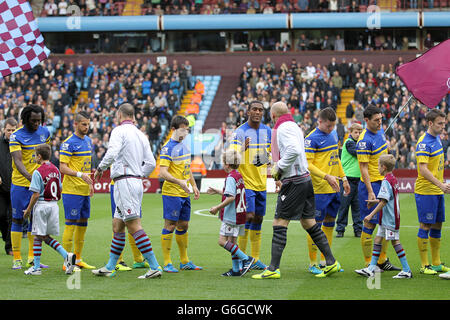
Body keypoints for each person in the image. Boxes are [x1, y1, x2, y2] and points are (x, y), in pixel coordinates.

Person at [252, 101, 341, 280]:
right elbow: (291, 151)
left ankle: (273, 269)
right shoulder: (293, 126)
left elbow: (292, 151)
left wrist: (278, 168)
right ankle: (331, 262)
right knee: (309, 223)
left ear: (274, 115)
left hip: (293, 181)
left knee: (279, 223)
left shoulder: (283, 128)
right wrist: (264, 158)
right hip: (305, 179)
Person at [92, 103, 162, 279]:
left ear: (119, 114)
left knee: (133, 225)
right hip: (135, 181)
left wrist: (100, 168)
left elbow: (112, 152)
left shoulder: (118, 131)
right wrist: (138, 175)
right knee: (118, 225)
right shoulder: (141, 135)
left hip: (124, 183)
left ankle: (154, 266)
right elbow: (152, 163)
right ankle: (110, 266)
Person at [304, 107, 350, 274]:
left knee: (330, 221)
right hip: (318, 189)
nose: (331, 129)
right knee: (315, 225)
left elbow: (335, 158)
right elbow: (307, 164)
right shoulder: (311, 139)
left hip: (334, 187)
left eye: (333, 126)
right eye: (328, 126)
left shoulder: (333, 135)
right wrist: (326, 177)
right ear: (319, 121)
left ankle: (326, 260)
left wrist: (343, 178)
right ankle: (313, 263)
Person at [357, 105, 400, 271]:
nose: (380, 122)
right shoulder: (363, 141)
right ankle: (369, 263)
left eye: (381, 119)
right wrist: (370, 191)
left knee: (385, 223)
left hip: (384, 183)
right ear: (366, 120)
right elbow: (364, 168)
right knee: (370, 223)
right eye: (376, 120)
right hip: (372, 185)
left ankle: (382, 260)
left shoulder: (381, 132)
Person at [354, 154, 412, 279]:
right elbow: (386, 198)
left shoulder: (386, 181)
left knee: (395, 242)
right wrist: (375, 201)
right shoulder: (392, 178)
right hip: (387, 217)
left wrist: (370, 215)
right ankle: (370, 269)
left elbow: (384, 202)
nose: (377, 168)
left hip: (390, 218)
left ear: (383, 167)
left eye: (378, 166)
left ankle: (407, 270)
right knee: (377, 240)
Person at [229, 100, 271, 270]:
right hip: (246, 183)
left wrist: (274, 170)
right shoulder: (239, 132)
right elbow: (230, 158)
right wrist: (241, 150)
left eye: (260, 110)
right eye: (254, 109)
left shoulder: (267, 131)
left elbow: (267, 156)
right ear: (248, 112)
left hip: (261, 183)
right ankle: (242, 258)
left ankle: (255, 258)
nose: (257, 112)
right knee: (249, 217)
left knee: (259, 219)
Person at [23, 144, 76, 276]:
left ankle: (37, 267)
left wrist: (28, 210)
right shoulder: (56, 170)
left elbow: (35, 194)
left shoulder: (37, 171)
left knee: (38, 236)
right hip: (53, 205)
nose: (35, 157)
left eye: (35, 155)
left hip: (42, 205)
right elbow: (60, 188)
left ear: (39, 156)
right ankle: (64, 256)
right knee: (44, 236)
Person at [159, 115, 202, 273]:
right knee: (170, 225)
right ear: (173, 130)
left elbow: (187, 168)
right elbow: (162, 172)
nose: (185, 133)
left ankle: (184, 261)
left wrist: (193, 184)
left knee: (184, 225)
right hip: (172, 192)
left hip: (184, 192)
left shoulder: (184, 146)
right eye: (183, 130)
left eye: (187, 130)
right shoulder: (167, 148)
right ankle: (167, 262)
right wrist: (180, 182)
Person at [9, 104, 51, 270]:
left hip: (38, 185)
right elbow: (17, 160)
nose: (37, 124)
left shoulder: (44, 132)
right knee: (18, 219)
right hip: (20, 184)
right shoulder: (16, 136)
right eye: (33, 121)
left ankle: (32, 259)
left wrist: (45, 175)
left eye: (39, 120)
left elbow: (47, 154)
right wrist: (31, 177)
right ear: (25, 119)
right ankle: (17, 259)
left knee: (36, 222)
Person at [207, 149, 255, 277]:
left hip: (231, 215)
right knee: (232, 242)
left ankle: (246, 259)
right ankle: (236, 269)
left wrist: (217, 207)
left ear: (227, 164)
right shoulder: (238, 175)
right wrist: (218, 191)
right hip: (239, 214)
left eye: (223, 162)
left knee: (222, 241)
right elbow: (234, 193)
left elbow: (231, 197)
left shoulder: (230, 178)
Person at [414, 109, 450, 276]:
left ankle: (436, 263)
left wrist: (440, 185)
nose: (443, 126)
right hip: (426, 190)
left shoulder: (436, 139)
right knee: (426, 225)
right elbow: (423, 170)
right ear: (430, 123)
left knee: (437, 225)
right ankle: (424, 264)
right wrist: (441, 185)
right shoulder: (424, 142)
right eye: (440, 123)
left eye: (444, 123)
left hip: (437, 190)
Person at [60, 112, 95, 270]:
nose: (86, 127)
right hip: (72, 190)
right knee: (71, 224)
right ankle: (67, 262)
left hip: (84, 190)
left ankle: (78, 258)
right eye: (83, 124)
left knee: (83, 224)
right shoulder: (68, 143)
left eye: (88, 124)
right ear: (75, 124)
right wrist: (80, 175)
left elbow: (86, 166)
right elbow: (63, 167)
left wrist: (90, 184)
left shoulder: (88, 141)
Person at [109, 180, 149, 271]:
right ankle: (118, 261)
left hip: (133, 185)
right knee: (119, 223)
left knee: (134, 222)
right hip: (120, 185)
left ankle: (138, 260)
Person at [336, 122, 363, 238]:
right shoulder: (349, 143)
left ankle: (358, 229)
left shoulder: (359, 144)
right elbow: (357, 153)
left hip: (358, 180)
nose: (358, 134)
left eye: (360, 132)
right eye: (356, 132)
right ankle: (340, 229)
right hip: (347, 180)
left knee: (357, 207)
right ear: (350, 133)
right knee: (344, 206)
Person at [0, 118, 17, 256]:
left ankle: (9, 246)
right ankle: (6, 237)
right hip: (1, 187)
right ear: (3, 130)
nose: (11, 133)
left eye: (13, 130)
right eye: (8, 130)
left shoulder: (19, 145)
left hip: (15, 186)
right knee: (1, 215)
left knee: (13, 216)